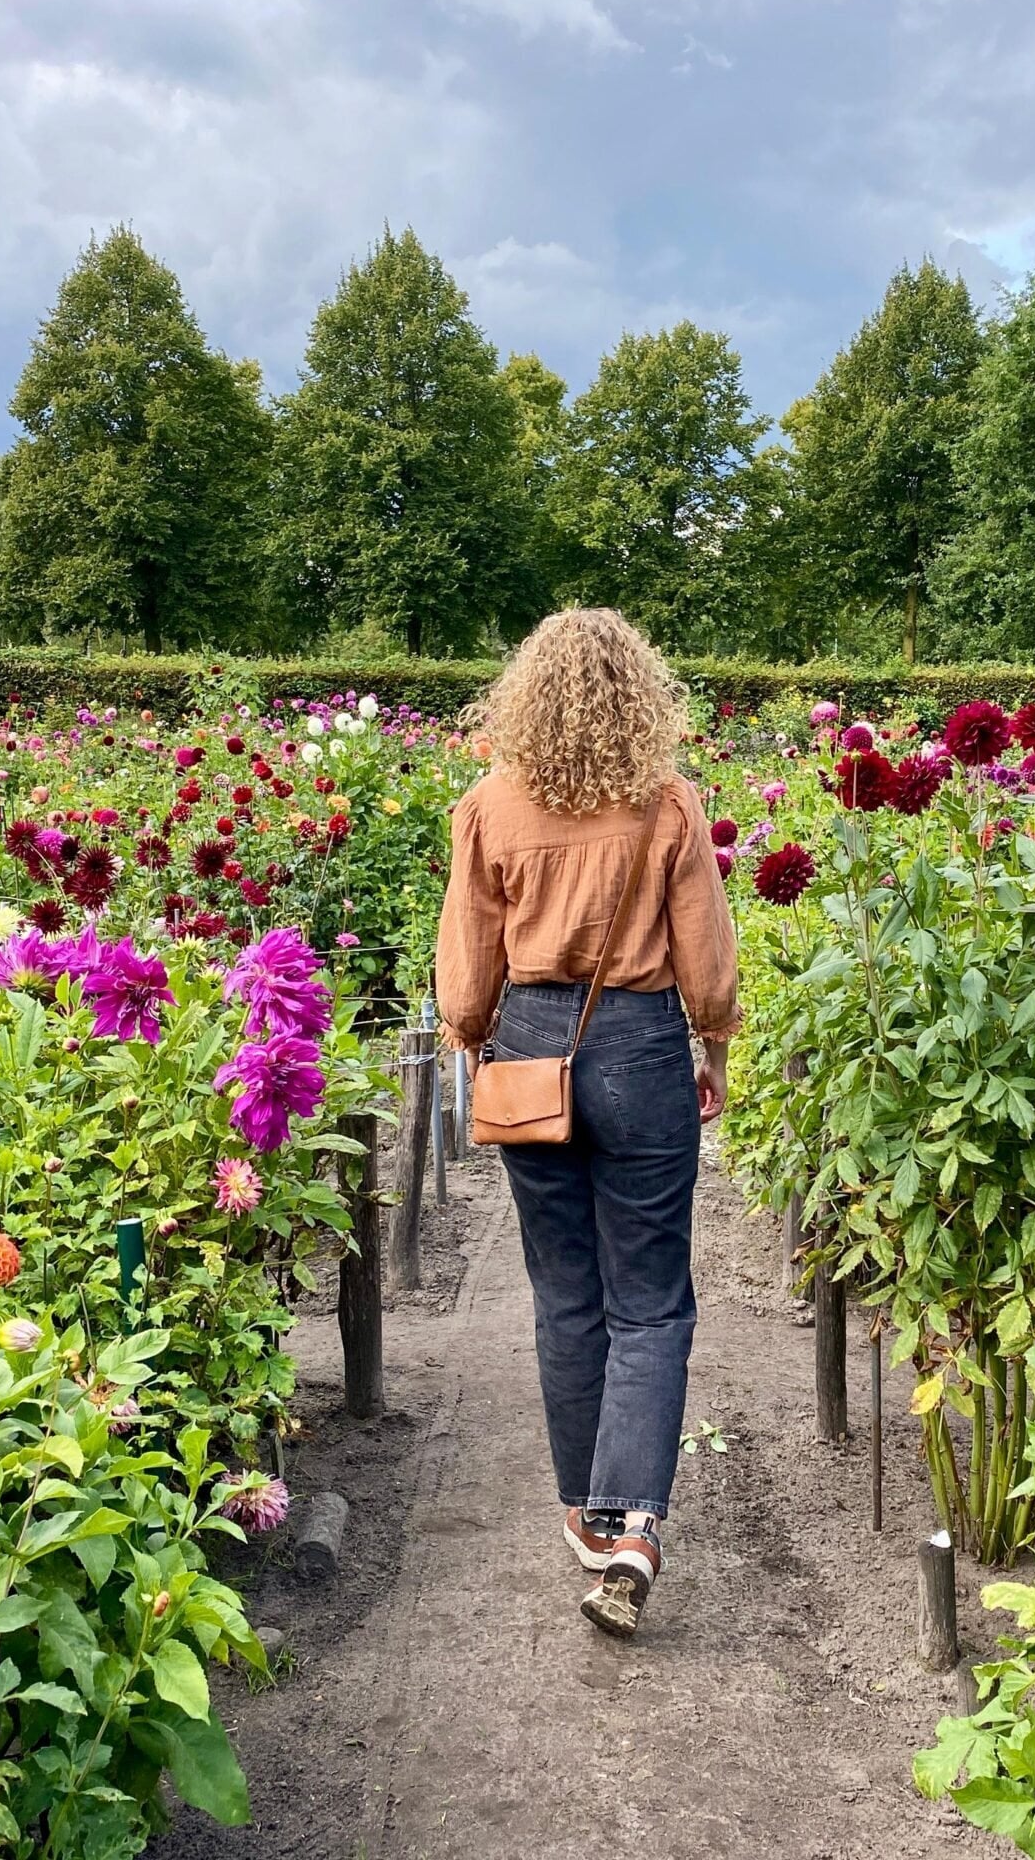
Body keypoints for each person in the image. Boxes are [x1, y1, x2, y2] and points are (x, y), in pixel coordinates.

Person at [434, 608, 740, 1640]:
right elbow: (705, 958)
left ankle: (586, 1510)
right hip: (643, 1045)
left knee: (564, 1288)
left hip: (526, 1041)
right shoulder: (666, 806)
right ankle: (634, 1523)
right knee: (649, 1299)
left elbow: (467, 972)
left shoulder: (488, 806)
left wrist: (477, 1044)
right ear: (637, 692)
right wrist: (714, 1049)